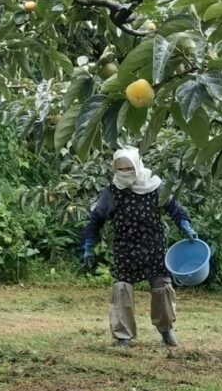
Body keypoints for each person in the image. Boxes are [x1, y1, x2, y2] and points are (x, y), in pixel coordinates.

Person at [81, 146, 198, 348]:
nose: (125, 172)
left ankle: (166, 330)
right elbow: (96, 219)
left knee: (162, 289)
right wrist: (88, 245)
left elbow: (174, 209)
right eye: (121, 169)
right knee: (122, 289)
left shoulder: (155, 185)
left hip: (153, 246)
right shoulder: (112, 193)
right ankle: (123, 336)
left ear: (137, 165)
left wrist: (186, 227)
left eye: (129, 168)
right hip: (125, 248)